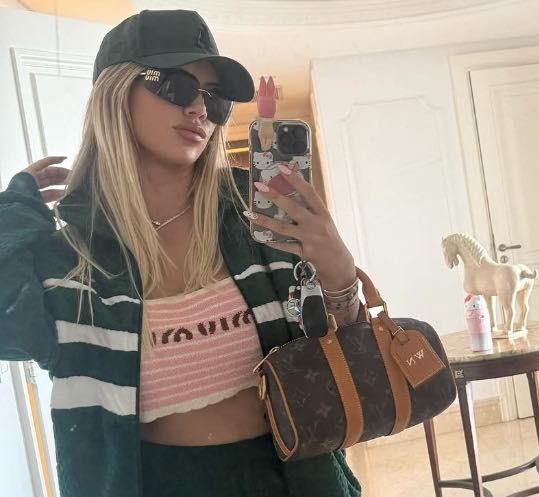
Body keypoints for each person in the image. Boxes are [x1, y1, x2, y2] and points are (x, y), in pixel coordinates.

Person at [0, 9, 362, 497]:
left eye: (214, 98)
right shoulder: (73, 258)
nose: (198, 109)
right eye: (176, 85)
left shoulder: (256, 216)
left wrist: (340, 277)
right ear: (116, 92)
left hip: (297, 480)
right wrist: (12, 213)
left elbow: (338, 348)